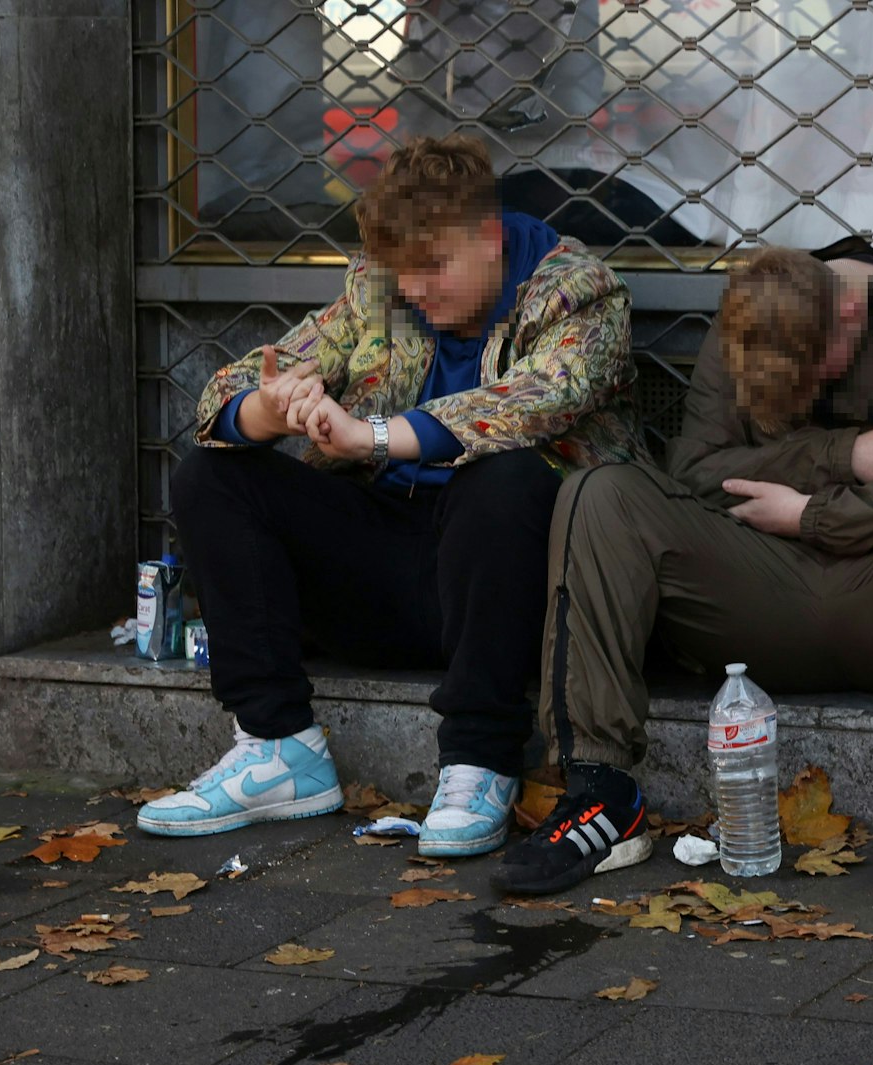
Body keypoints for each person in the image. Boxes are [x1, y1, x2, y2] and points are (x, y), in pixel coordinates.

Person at [138, 134, 644, 860]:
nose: (415, 290)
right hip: (391, 565)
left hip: (507, 588)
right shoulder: (382, 292)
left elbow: (531, 403)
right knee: (212, 474)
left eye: (433, 267)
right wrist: (271, 408)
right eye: (403, 271)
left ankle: (480, 761)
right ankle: (279, 748)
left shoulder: (578, 292)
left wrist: (372, 437)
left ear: (490, 237)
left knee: (503, 475)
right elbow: (226, 390)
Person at [494, 239, 873, 916]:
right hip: (761, 587)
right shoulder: (752, 315)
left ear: (846, 316)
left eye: (810, 378)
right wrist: (845, 453)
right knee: (600, 495)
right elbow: (694, 468)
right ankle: (597, 790)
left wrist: (816, 514)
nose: (802, 396)